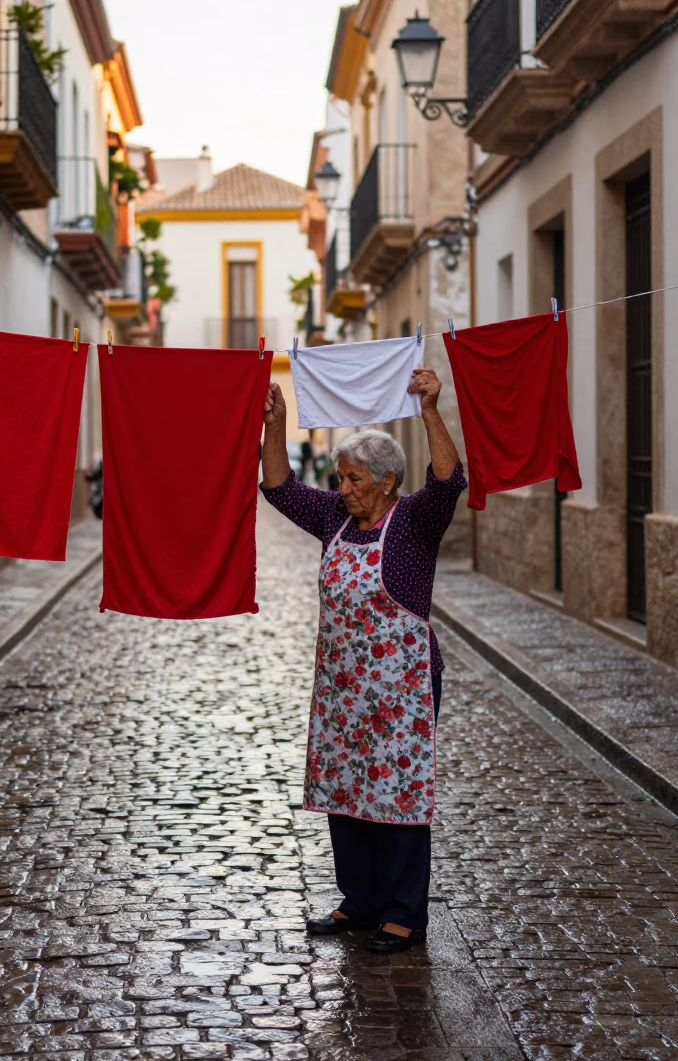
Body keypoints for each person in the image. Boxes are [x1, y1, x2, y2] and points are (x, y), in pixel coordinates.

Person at [261, 367, 466, 953]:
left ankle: (403, 912)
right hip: (343, 686)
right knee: (347, 792)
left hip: (402, 686)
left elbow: (449, 481)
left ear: (386, 481)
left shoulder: (415, 523)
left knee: (398, 794)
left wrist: (430, 407)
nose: (342, 487)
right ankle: (360, 901)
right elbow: (280, 488)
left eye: (352, 479)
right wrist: (276, 425)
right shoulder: (334, 518)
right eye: (340, 478)